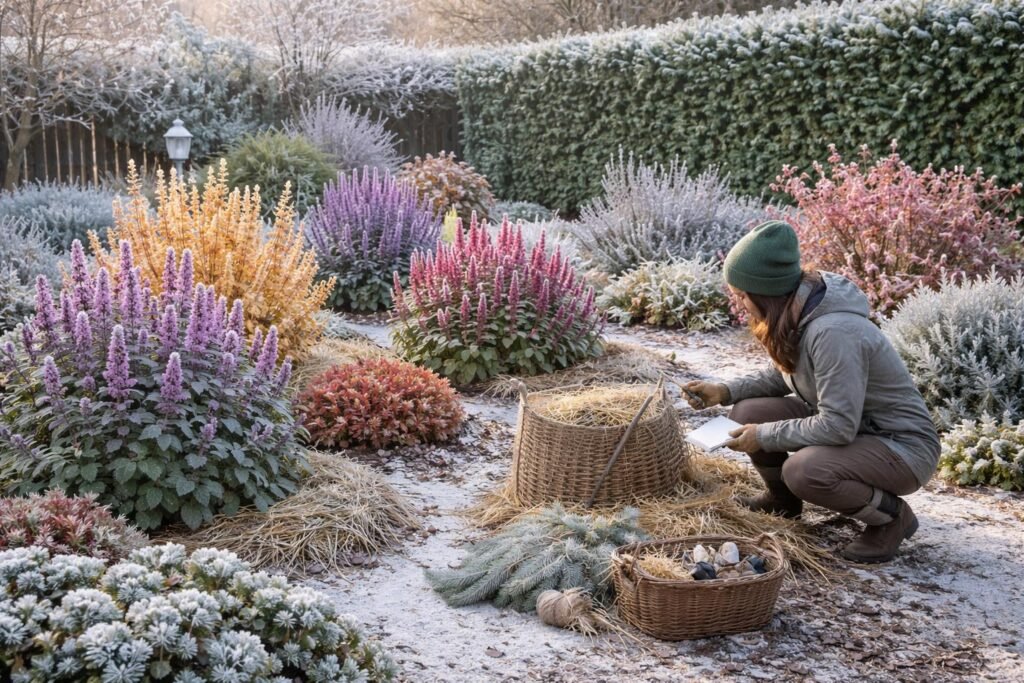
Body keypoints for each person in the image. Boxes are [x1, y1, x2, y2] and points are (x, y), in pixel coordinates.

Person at [683, 221, 939, 563]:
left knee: (804, 470)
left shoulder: (833, 331)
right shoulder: (801, 309)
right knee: (746, 413)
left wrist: (765, 435)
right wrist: (725, 390)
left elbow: (838, 425)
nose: (740, 303)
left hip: (901, 447)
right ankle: (782, 501)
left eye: (742, 295)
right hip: (857, 429)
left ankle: (892, 518)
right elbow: (785, 376)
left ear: (766, 293)